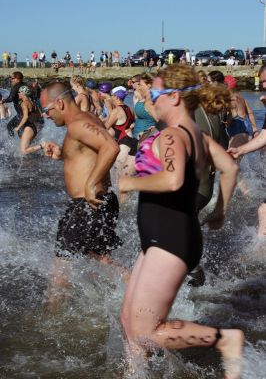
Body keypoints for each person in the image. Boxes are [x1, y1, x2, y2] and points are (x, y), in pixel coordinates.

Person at [118, 64, 243, 379]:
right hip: (165, 236)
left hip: (170, 238)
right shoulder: (196, 135)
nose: (151, 101)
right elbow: (229, 166)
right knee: (129, 323)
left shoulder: (174, 134)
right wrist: (220, 211)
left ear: (173, 97)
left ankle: (225, 339)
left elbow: (172, 180)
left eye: (155, 95)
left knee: (146, 332)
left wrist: (130, 183)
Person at [39, 82, 125, 306]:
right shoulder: (83, 120)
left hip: (89, 203)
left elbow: (111, 147)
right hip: (94, 202)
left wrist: (91, 182)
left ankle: (53, 319)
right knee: (99, 260)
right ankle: (138, 293)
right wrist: (63, 154)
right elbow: (92, 152)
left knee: (61, 267)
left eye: (47, 110)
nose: (46, 116)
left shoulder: (78, 123)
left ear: (59, 103)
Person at [228, 63, 266, 248]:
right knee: (263, 210)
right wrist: (255, 133)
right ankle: (259, 247)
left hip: (238, 131)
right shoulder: (243, 97)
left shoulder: (231, 99)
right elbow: (253, 117)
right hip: (246, 131)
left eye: (265, 80)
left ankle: (245, 192)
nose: (263, 85)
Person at [14, 85, 44, 154]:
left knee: (23, 151)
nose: (18, 93)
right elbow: (40, 114)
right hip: (34, 126)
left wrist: (18, 127)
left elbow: (25, 117)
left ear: (23, 93)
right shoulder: (32, 102)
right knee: (25, 147)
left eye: (19, 92)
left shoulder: (24, 103)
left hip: (29, 127)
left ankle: (43, 145)